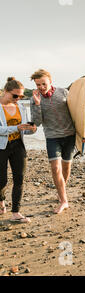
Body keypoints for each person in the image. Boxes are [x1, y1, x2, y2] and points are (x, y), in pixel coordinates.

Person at [30, 69, 85, 214]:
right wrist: (36, 104)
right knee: (55, 168)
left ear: (50, 81)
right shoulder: (34, 99)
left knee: (66, 168)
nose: (41, 87)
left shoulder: (63, 92)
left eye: (43, 83)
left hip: (69, 136)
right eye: (38, 85)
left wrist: (83, 132)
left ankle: (61, 192)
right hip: (52, 137)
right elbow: (37, 122)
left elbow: (77, 113)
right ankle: (63, 201)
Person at [0, 77, 37, 223]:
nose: (18, 99)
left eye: (21, 96)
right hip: (1, 147)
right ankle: (1, 201)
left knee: (19, 179)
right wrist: (16, 128)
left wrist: (31, 129)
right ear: (5, 92)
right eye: (15, 96)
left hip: (18, 145)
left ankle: (16, 212)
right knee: (1, 180)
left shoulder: (20, 107)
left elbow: (24, 131)